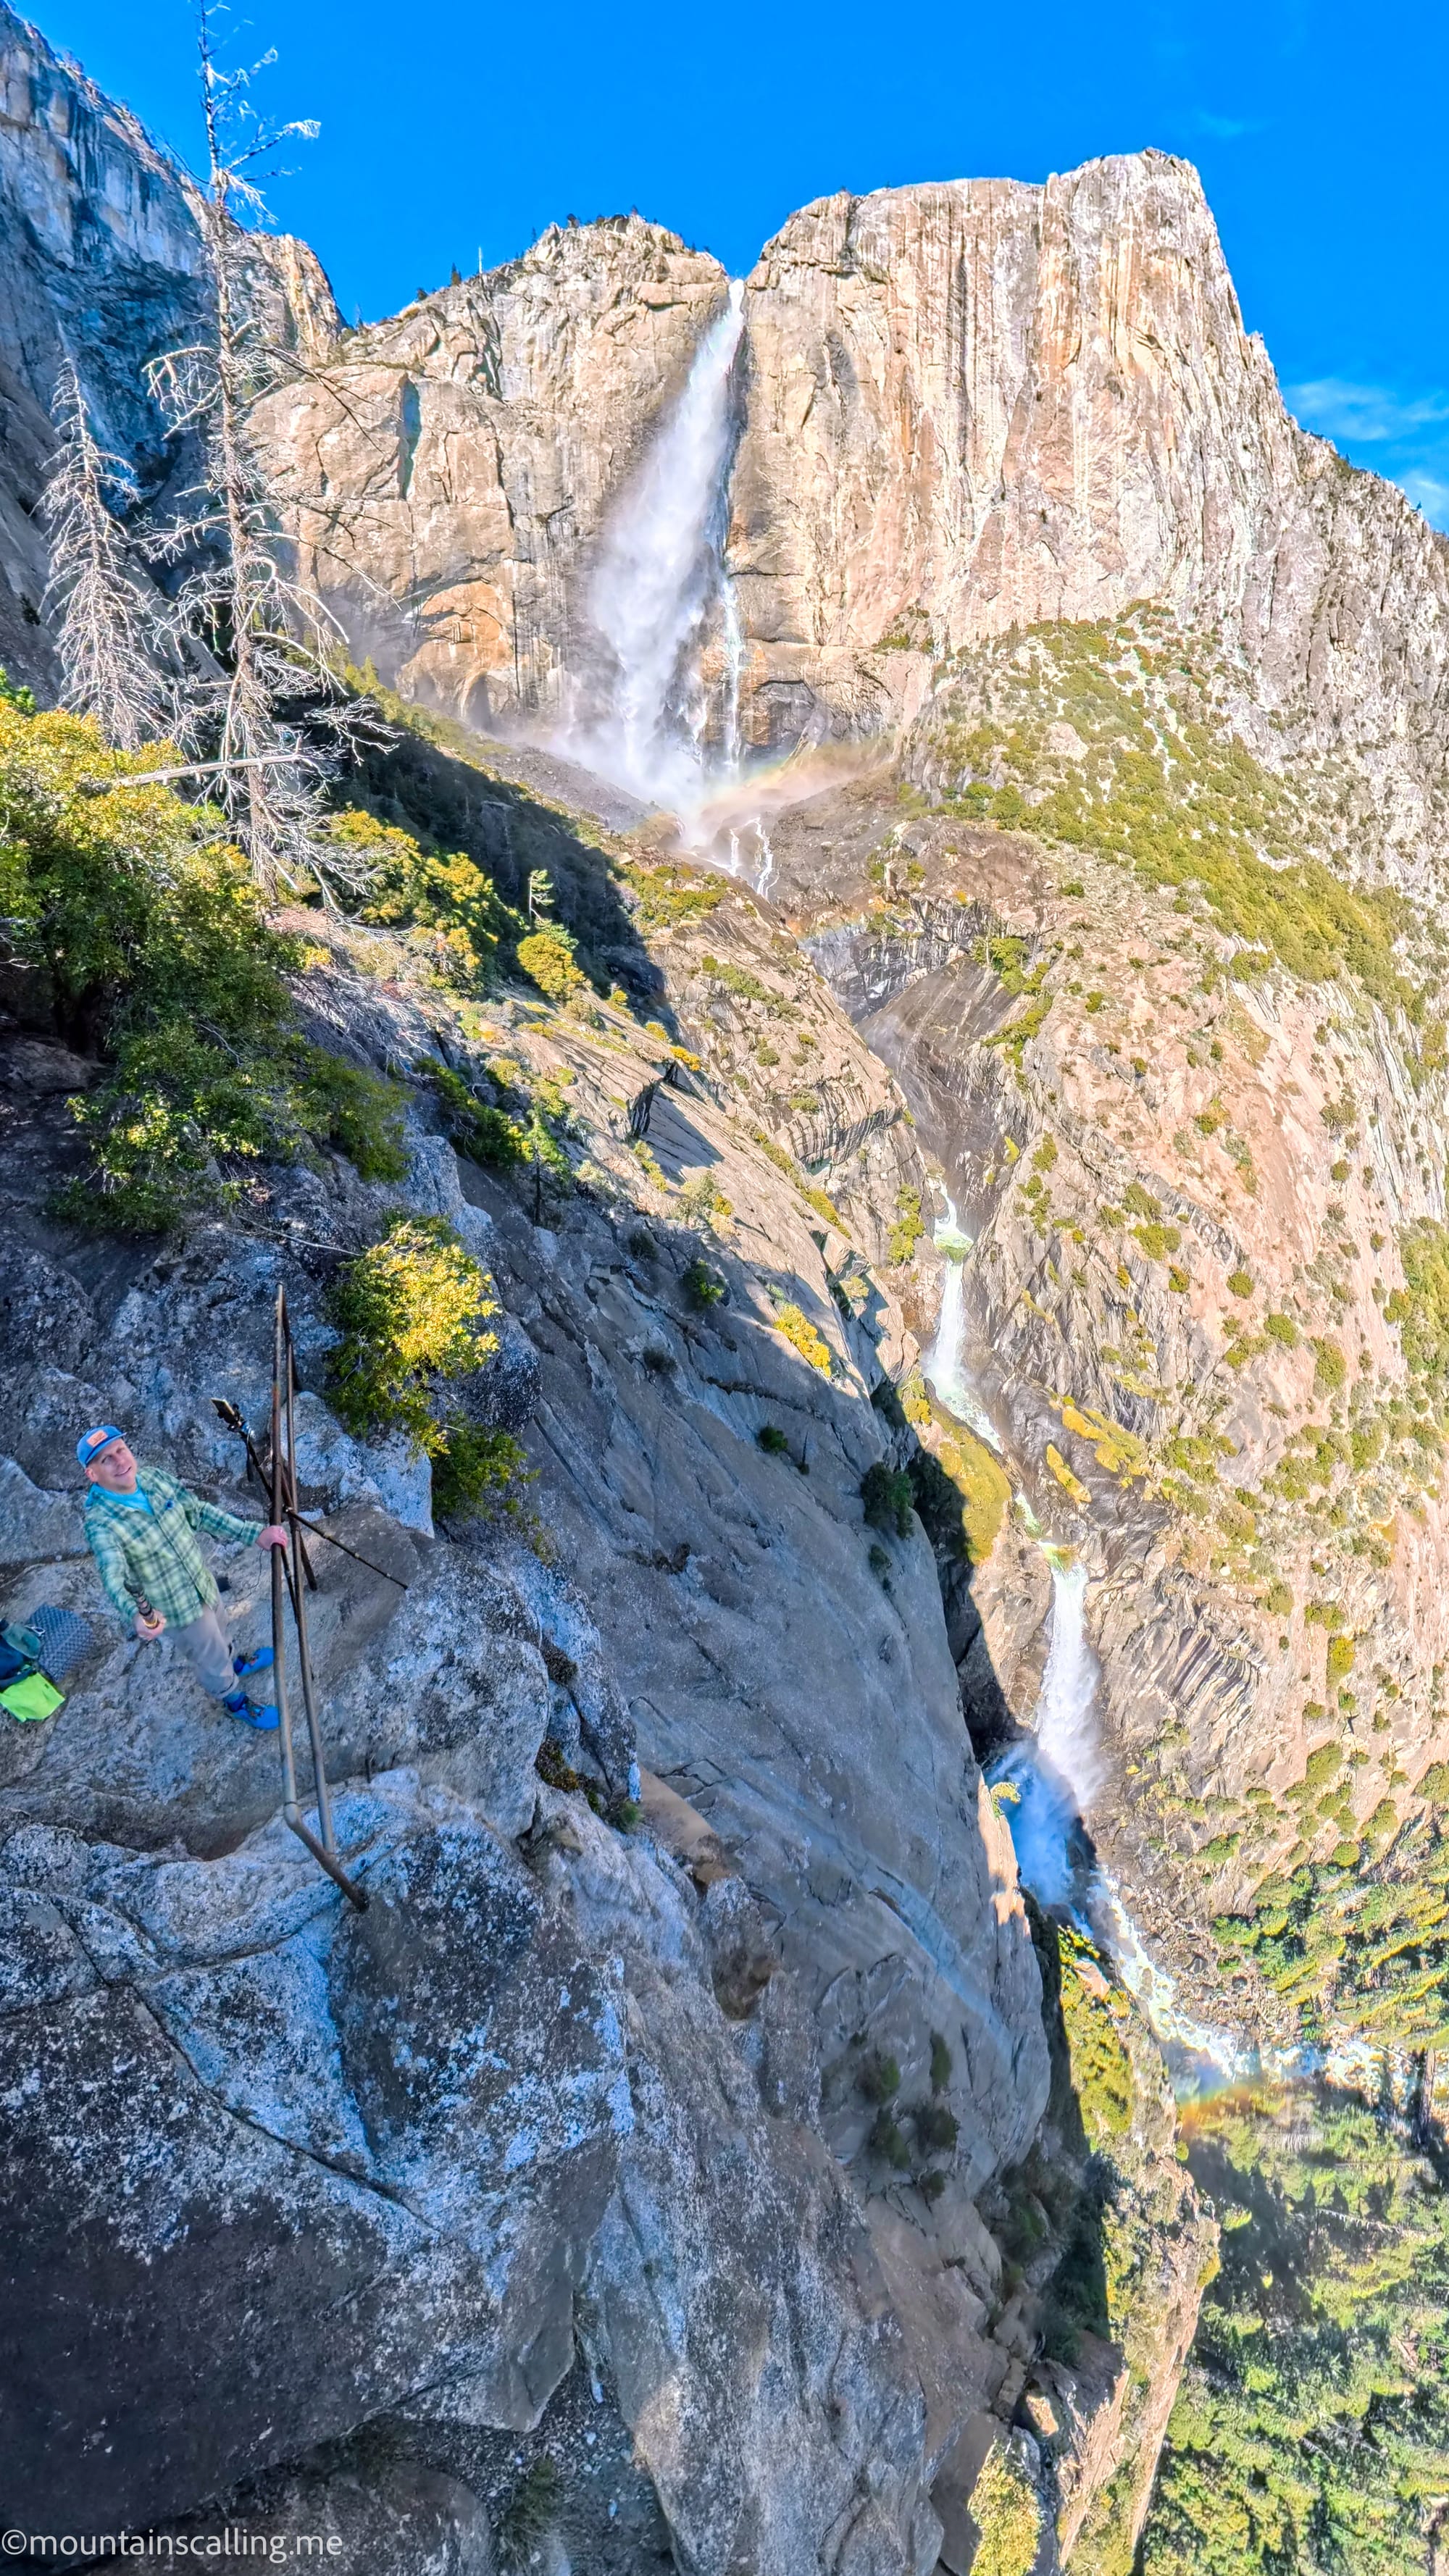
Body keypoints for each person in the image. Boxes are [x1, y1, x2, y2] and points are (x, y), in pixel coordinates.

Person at [78, 1425, 289, 1731]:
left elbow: (198, 1512)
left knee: (221, 1629)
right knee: (210, 1659)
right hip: (178, 1611)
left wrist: (253, 1533)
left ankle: (236, 1663)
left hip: (202, 1583)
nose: (120, 1461)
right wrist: (136, 1614)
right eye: (106, 1459)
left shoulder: (153, 1479)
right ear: (92, 1474)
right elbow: (112, 1573)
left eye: (120, 1450)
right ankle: (234, 1701)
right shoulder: (101, 1524)